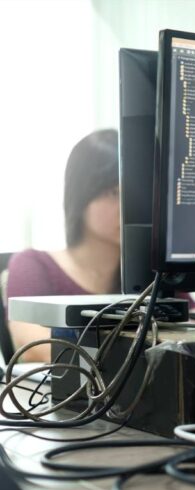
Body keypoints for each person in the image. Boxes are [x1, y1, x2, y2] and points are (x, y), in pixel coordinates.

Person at [6, 129, 120, 363]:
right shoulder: (33, 265)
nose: (130, 205)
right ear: (81, 196)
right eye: (114, 192)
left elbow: (193, 331)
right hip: (67, 397)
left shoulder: (152, 273)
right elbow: (33, 347)